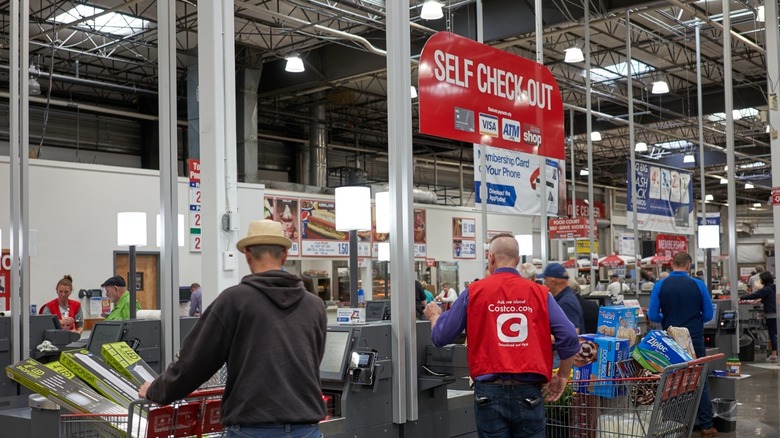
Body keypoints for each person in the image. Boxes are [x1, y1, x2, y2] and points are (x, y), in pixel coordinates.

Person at [139, 220, 327, 437]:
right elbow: (313, 360)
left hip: (251, 429)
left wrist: (156, 390)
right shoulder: (315, 306)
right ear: (285, 254)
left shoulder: (234, 301)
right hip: (307, 430)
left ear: (247, 254)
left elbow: (194, 363)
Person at [423, 234, 579, 437]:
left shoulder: (474, 292)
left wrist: (435, 316)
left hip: (489, 393)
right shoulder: (541, 293)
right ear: (518, 259)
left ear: (491, 258)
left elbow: (441, 336)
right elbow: (569, 336)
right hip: (529, 393)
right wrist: (563, 375)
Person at [647, 252, 716, 438]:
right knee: (699, 379)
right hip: (694, 338)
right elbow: (709, 315)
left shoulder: (660, 285)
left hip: (670, 340)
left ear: (671, 264)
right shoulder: (698, 284)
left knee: (673, 381)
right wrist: (693, 320)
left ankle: (676, 425)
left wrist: (668, 318)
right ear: (689, 266)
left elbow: (653, 315)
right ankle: (707, 426)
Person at [740, 271, 777, 362]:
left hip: (771, 313)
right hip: (773, 312)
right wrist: (761, 300)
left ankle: (774, 354)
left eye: (761, 279)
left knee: (772, 334)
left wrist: (742, 297)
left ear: (764, 279)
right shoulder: (772, 287)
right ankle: (774, 353)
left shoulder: (767, 288)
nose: (760, 280)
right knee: (773, 333)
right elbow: (767, 297)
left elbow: (755, 294)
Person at [538, 263, 584, 333]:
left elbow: (573, 333)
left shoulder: (566, 303)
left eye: (545, 280)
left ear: (553, 282)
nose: (544, 283)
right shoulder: (563, 298)